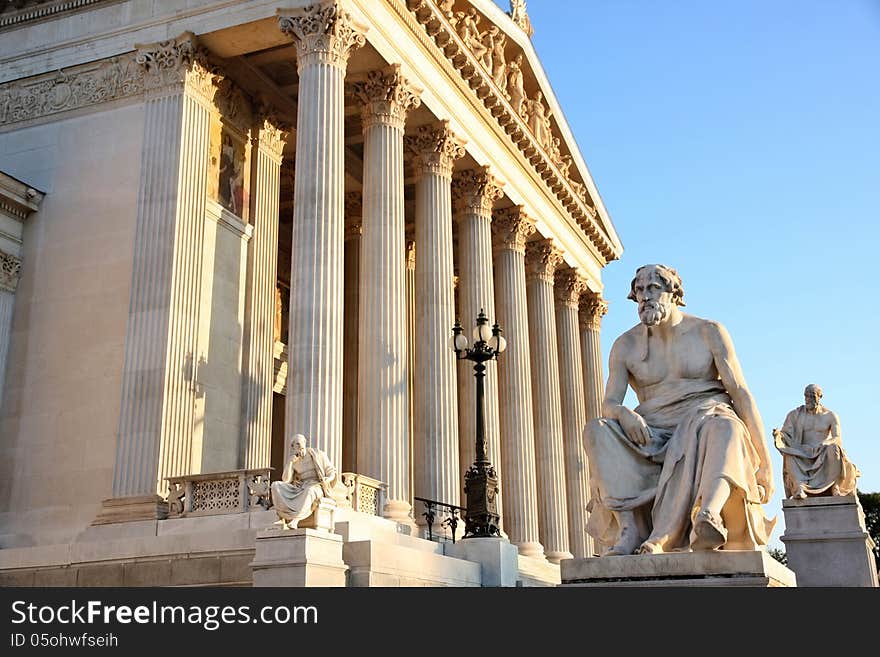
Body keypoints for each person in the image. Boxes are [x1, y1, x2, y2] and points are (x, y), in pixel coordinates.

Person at [584, 264, 775, 555]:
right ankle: (630, 529)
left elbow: (740, 393)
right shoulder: (625, 345)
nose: (644, 297)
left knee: (724, 425)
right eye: (639, 291)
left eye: (653, 288)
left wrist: (766, 462)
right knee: (597, 430)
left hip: (705, 416)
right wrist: (623, 413)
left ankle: (707, 514)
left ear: (674, 293)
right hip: (651, 431)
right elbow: (610, 403)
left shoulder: (708, 331)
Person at [773, 384, 860, 499]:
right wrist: (779, 436)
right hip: (803, 453)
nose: (808, 399)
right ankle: (800, 487)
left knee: (834, 448)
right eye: (806, 396)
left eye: (812, 396)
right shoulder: (795, 415)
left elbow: (837, 438)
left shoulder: (830, 416)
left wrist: (826, 443)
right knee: (789, 454)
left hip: (822, 452)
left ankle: (835, 487)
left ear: (819, 397)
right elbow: (786, 435)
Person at [271, 434, 341, 529]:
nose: (300, 446)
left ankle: (295, 520)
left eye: (302, 443)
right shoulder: (294, 460)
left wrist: (327, 479)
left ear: (305, 443)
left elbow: (331, 471)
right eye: (297, 444)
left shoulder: (318, 454)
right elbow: (286, 480)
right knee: (276, 485)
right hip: (300, 487)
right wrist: (290, 463)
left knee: (309, 491)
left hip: (317, 485)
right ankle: (282, 516)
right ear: (293, 447)